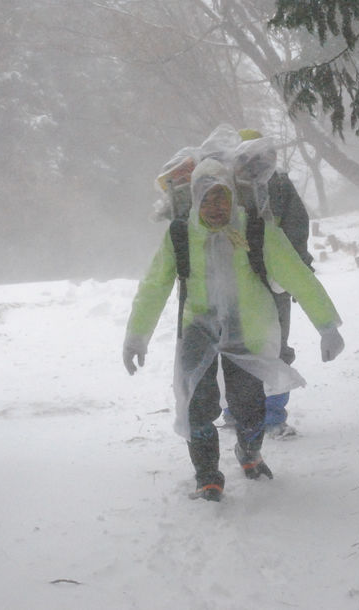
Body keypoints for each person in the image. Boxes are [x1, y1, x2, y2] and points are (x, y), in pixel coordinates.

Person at [123, 157, 344, 501]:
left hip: (248, 329)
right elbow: (154, 286)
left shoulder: (255, 230)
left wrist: (327, 325)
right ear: (195, 199)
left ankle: (250, 452)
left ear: (233, 197)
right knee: (198, 405)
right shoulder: (181, 235)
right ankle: (208, 476)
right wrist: (136, 336)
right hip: (198, 330)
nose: (215, 207)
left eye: (222, 197)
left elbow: (297, 275)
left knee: (249, 405)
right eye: (207, 198)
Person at [221, 128, 314, 438]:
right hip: (237, 285)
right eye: (246, 158)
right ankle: (241, 413)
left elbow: (296, 229)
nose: (254, 164)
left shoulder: (279, 184)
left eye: (261, 157)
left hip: (272, 283)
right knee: (236, 347)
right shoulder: (222, 188)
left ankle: (269, 416)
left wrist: (297, 274)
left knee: (271, 348)